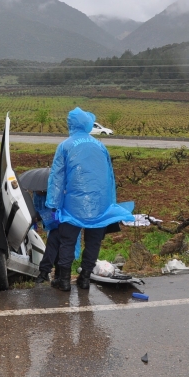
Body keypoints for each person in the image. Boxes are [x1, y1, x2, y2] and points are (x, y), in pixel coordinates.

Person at [46, 108, 134, 291]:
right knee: (94, 241)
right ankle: (84, 278)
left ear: (70, 124)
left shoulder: (65, 146)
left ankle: (63, 281)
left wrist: (53, 205)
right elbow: (109, 177)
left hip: (73, 205)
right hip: (100, 204)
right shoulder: (100, 146)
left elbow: (57, 178)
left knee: (67, 242)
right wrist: (110, 203)